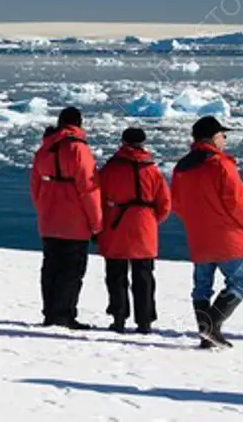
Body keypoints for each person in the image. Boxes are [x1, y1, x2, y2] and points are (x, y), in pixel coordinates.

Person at [172, 116, 243, 348]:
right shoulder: (221, 164)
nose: (224, 139)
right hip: (227, 235)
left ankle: (206, 335)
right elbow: (236, 202)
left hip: (198, 236)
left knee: (202, 286)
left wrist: (196, 222)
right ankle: (212, 326)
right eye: (223, 135)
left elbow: (177, 203)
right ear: (214, 137)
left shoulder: (182, 167)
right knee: (241, 281)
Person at [30, 106, 101, 330]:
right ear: (79, 124)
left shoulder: (44, 149)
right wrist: (96, 223)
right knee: (71, 270)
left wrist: (44, 210)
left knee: (50, 267)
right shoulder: (79, 149)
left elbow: (35, 187)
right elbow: (89, 189)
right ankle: (64, 314)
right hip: (75, 223)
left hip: (49, 221)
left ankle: (50, 312)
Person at [97, 127, 171, 334]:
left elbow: (98, 199)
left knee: (116, 275)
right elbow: (165, 204)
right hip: (144, 227)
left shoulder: (110, 169)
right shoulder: (153, 171)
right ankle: (145, 321)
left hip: (116, 227)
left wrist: (99, 225)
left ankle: (119, 318)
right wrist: (151, 220)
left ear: (123, 142)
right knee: (144, 276)